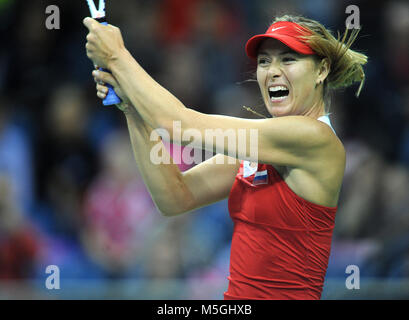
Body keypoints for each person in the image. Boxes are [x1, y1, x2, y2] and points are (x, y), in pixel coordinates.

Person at [83, 14, 367, 299]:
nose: (272, 71)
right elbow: (174, 197)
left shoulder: (314, 138)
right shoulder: (261, 147)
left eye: (288, 60)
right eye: (264, 61)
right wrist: (131, 108)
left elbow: (179, 125)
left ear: (322, 71)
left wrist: (118, 56)